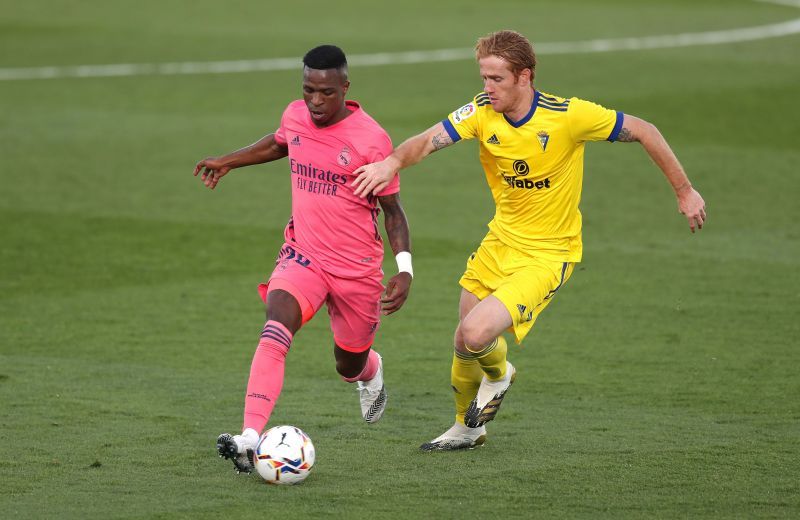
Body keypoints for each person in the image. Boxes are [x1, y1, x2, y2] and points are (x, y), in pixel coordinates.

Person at [352, 30, 706, 451]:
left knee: (476, 332)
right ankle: (468, 429)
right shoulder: (481, 112)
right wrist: (392, 162)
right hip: (499, 242)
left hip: (548, 253)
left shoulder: (568, 116)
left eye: (496, 79)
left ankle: (499, 377)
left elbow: (645, 130)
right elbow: (428, 140)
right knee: (462, 341)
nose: (487, 88)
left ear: (525, 77)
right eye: (484, 77)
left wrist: (684, 191)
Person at [194, 45, 413, 473]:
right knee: (274, 329)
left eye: (325, 93)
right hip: (304, 255)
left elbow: (394, 212)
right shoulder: (296, 114)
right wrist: (229, 161)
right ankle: (250, 438)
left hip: (356, 270)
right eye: (308, 90)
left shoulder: (371, 139)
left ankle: (370, 372)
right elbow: (281, 144)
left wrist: (404, 270)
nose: (315, 101)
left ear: (345, 89)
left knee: (347, 362)